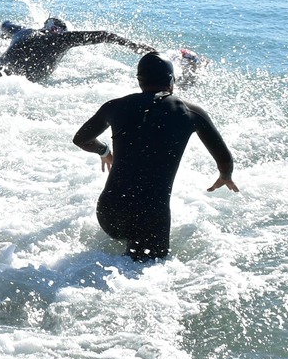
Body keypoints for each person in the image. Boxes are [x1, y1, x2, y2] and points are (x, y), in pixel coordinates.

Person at [70, 51, 237, 261]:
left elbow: (81, 139)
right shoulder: (190, 112)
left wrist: (104, 152)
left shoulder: (114, 106)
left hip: (109, 211)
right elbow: (224, 159)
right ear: (171, 80)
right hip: (151, 214)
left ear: (139, 80)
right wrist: (225, 176)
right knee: (142, 274)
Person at [0, 17, 154, 82]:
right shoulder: (62, 39)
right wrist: (135, 47)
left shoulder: (22, 31)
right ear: (61, 31)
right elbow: (105, 35)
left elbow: (5, 24)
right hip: (17, 84)